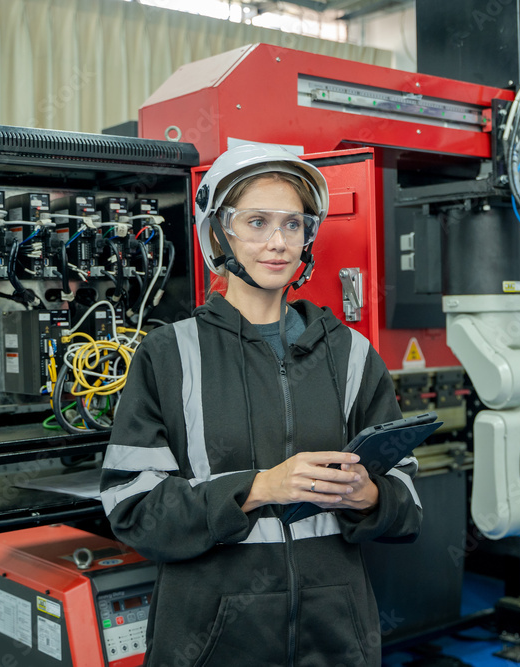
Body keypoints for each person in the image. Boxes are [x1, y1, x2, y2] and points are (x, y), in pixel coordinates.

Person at [100, 144, 421, 667]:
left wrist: (369, 496)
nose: (278, 243)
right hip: (212, 645)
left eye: (293, 225)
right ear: (216, 235)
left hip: (336, 643)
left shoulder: (353, 354)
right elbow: (133, 511)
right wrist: (258, 488)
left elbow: (408, 503)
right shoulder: (169, 355)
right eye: (256, 222)